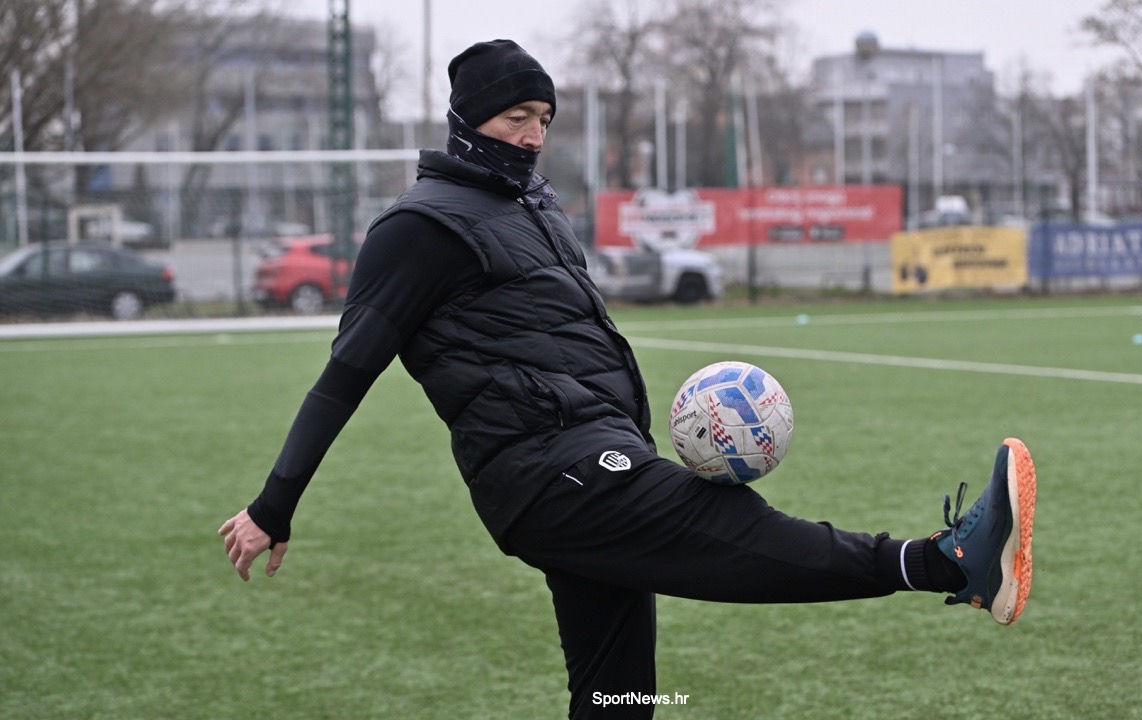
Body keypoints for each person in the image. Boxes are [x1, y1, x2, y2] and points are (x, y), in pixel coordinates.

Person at [219, 39, 1038, 719]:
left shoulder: (536, 207)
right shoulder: (416, 228)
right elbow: (344, 376)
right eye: (516, 116)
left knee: (617, 697)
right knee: (729, 526)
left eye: (544, 118)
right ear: (468, 122)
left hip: (599, 451)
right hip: (547, 477)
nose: (533, 135)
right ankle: (944, 563)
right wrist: (273, 506)